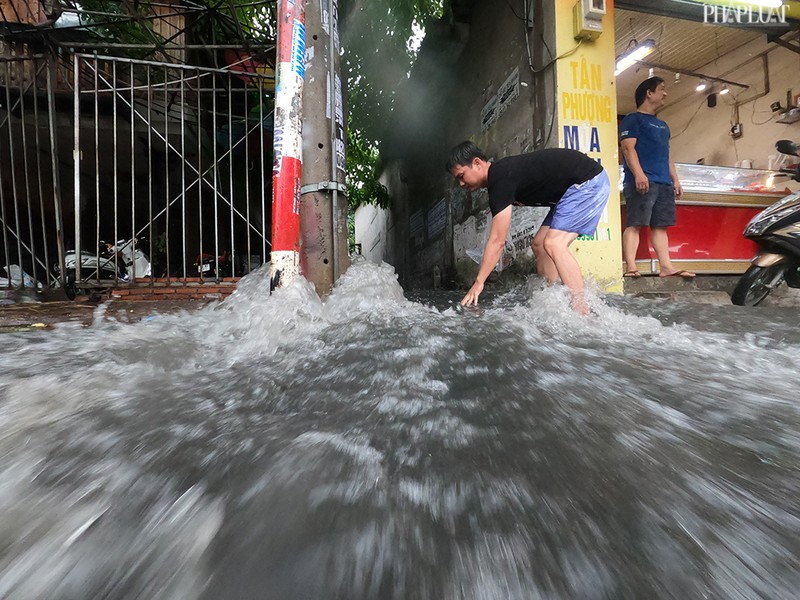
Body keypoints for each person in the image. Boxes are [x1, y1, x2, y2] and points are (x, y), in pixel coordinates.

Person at [446, 141, 610, 315]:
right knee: (540, 244)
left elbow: (497, 241)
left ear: (477, 163)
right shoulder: (501, 177)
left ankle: (582, 312)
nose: (461, 184)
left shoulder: (499, 178)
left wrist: (479, 283)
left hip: (587, 182)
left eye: (461, 176)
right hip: (568, 193)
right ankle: (555, 300)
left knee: (555, 244)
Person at [619, 77, 695, 279]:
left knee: (660, 226)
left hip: (663, 182)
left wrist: (675, 180)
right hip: (643, 181)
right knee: (635, 223)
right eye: (661, 89)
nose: (665, 93)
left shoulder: (663, 125)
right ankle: (631, 267)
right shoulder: (632, 119)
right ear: (648, 93)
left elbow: (667, 155)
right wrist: (639, 174)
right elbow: (628, 148)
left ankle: (666, 267)